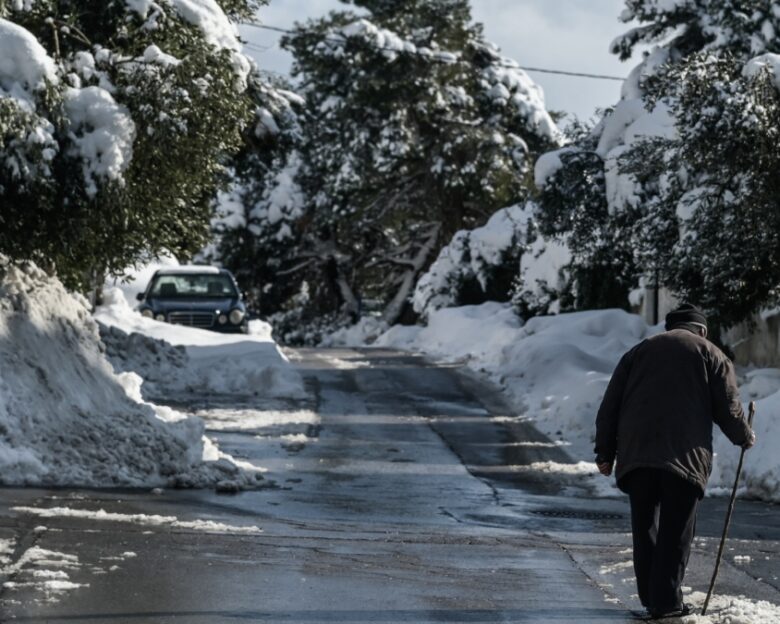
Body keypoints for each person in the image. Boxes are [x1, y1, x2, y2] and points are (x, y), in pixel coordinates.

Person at [594, 303, 756, 620]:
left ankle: (651, 598)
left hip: (638, 455)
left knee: (646, 528)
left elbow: (610, 405)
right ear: (702, 330)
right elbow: (728, 407)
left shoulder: (638, 353)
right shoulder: (711, 354)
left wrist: (605, 454)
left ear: (669, 327)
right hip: (685, 459)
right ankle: (666, 602)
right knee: (676, 531)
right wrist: (744, 436)